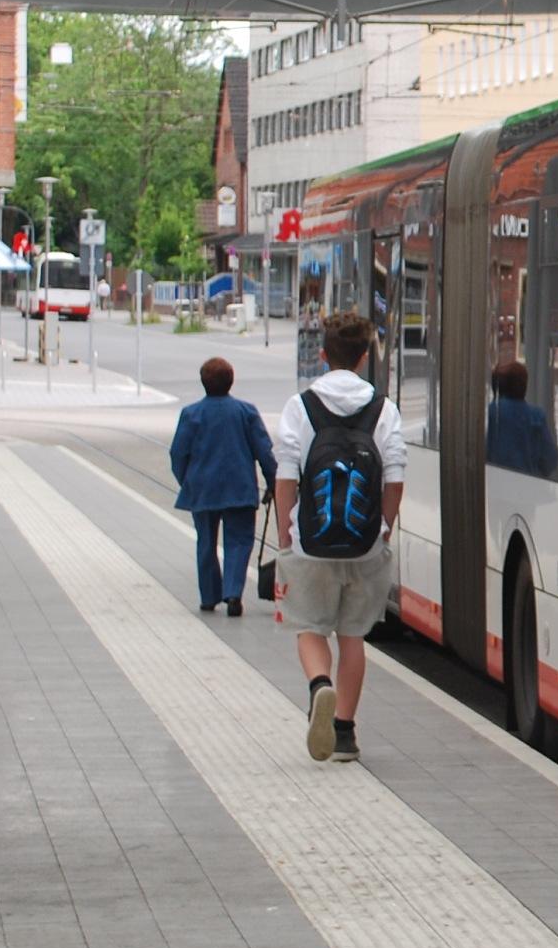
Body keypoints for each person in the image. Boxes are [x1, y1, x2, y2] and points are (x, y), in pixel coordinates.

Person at [273, 312, 408, 763]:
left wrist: (285, 537)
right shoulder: (384, 409)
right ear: (365, 357)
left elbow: (287, 474)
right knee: (353, 637)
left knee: (310, 627)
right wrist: (383, 529)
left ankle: (319, 685)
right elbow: (395, 479)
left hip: (311, 543)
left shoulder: (301, 406)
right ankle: (345, 733)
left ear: (323, 354)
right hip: (366, 543)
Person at [168, 356, 275, 617]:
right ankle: (233, 593)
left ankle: (208, 596)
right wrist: (273, 482)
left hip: (203, 489)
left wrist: (187, 481)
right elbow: (264, 451)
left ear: (203, 382)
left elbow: (177, 454)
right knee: (238, 541)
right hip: (240, 489)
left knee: (206, 541)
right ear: (231, 381)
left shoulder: (191, 414)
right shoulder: (246, 412)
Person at [484, 358, 558, 475]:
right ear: (524, 386)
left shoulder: (489, 413)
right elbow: (550, 460)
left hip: (493, 482)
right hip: (527, 485)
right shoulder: (536, 417)